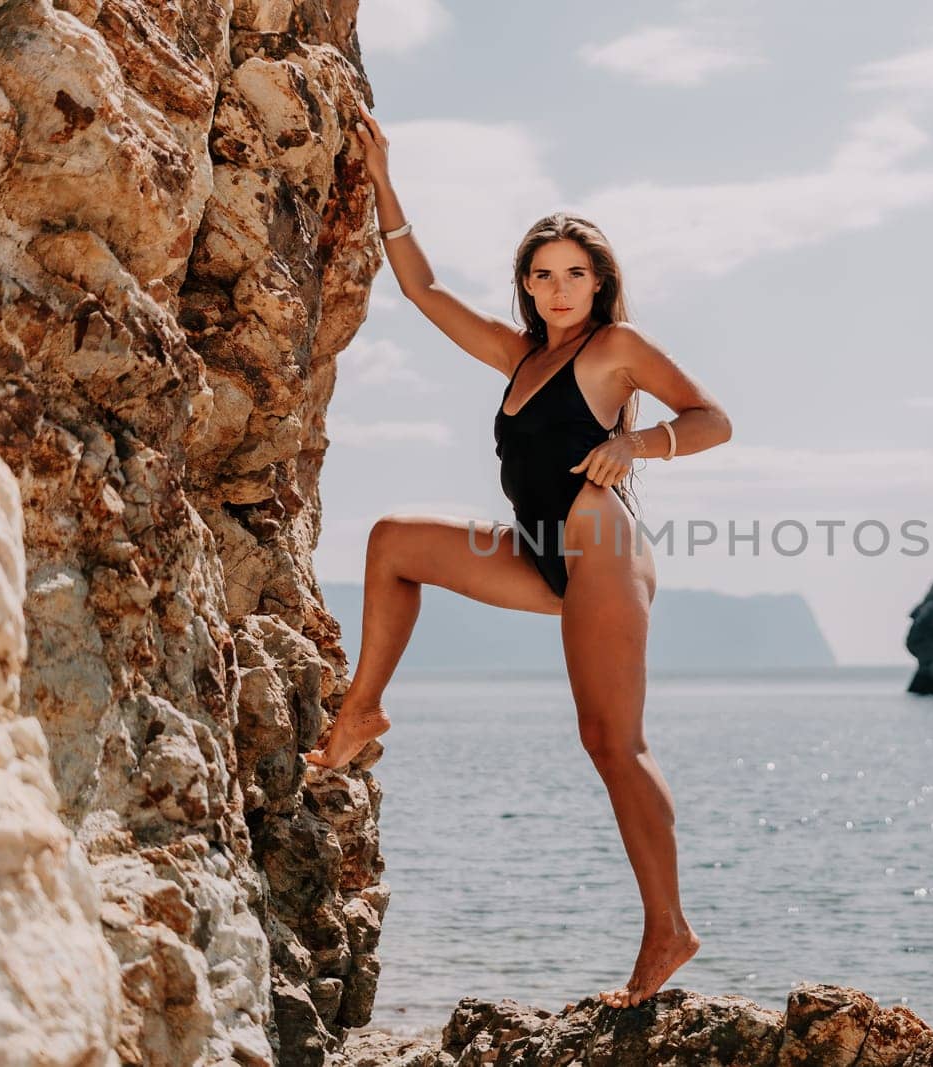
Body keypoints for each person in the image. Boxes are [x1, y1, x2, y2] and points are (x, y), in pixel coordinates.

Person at [305, 103, 732, 1010]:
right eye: (542, 275)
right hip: (539, 552)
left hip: (603, 550)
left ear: (600, 280)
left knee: (612, 740)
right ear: (528, 287)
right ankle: (362, 712)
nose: (558, 288)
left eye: (575, 273)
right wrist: (385, 180)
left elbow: (712, 420)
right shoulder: (519, 357)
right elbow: (423, 293)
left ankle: (669, 926)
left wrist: (640, 446)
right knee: (393, 542)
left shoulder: (616, 348)